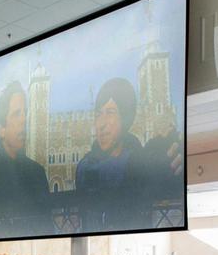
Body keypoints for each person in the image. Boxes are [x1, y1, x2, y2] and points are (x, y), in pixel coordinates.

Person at [75, 77, 182, 233]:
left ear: (125, 118)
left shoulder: (139, 155)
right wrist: (152, 161)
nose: (101, 123)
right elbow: (103, 171)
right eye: (98, 114)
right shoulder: (86, 166)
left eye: (110, 113)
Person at [0, 81, 55, 240]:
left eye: (25, 113)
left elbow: (47, 226)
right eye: (16, 114)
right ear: (1, 129)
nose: (23, 120)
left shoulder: (37, 172)